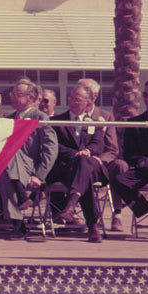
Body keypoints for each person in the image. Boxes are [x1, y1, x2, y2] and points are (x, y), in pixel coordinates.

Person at [0, 78, 57, 241]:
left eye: (18, 94)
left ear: (31, 98)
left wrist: (39, 176)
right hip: (6, 168)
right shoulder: (9, 118)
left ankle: (17, 222)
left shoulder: (40, 117)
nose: (12, 97)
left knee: (11, 151)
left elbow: (50, 148)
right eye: (12, 93)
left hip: (28, 167)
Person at [111, 80, 148, 240]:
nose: (147, 98)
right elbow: (129, 155)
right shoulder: (135, 123)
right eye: (145, 95)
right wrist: (146, 162)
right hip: (146, 169)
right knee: (118, 181)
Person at [48, 84, 106, 242]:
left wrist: (88, 152)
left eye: (77, 99)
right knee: (83, 175)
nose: (73, 102)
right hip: (67, 166)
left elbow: (99, 144)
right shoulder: (56, 121)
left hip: (91, 163)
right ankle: (92, 225)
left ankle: (71, 205)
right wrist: (76, 154)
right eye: (71, 98)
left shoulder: (95, 122)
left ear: (88, 103)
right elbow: (54, 146)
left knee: (84, 165)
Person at [76, 77, 128, 232]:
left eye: (86, 90)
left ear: (94, 96)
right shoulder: (70, 116)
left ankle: (117, 214)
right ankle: (75, 215)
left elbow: (113, 149)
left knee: (121, 165)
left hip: (101, 162)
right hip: (78, 161)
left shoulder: (105, 116)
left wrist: (99, 159)